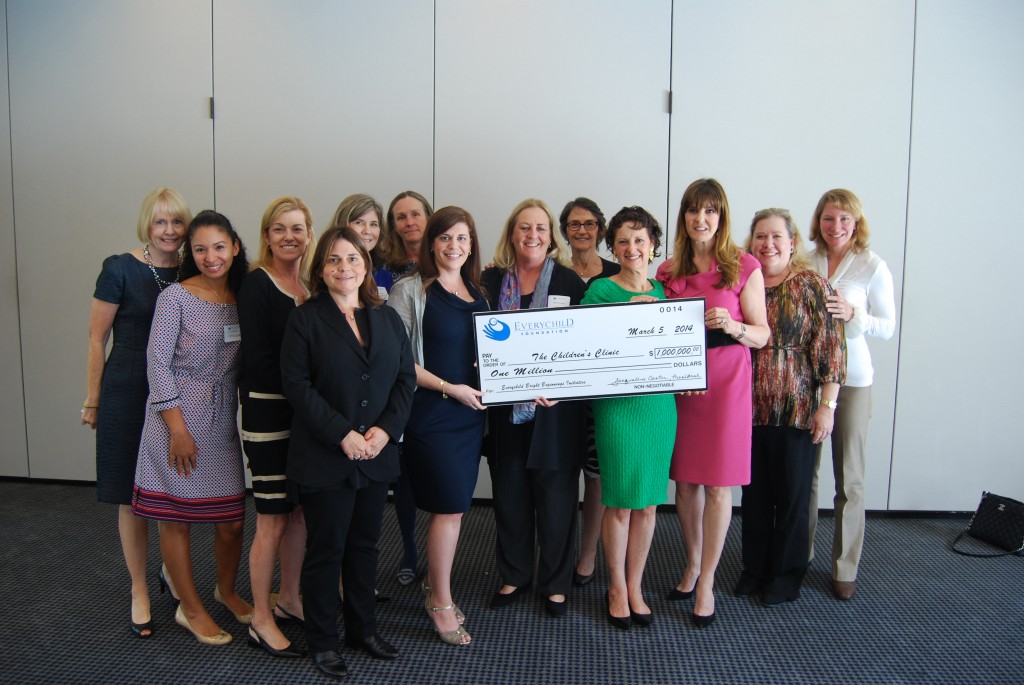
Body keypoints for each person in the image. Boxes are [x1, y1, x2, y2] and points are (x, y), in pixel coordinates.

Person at [280, 226, 415, 678]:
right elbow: (296, 386)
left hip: (376, 453)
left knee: (365, 547)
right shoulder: (306, 319)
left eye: (353, 259)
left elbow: (404, 380)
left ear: (367, 265)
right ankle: (322, 640)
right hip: (326, 455)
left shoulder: (387, 318)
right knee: (326, 550)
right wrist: (342, 433)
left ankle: (363, 628)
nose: (345, 268)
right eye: (335, 260)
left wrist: (384, 431)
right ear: (321, 269)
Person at [131, 210, 251, 645]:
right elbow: (157, 365)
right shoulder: (176, 298)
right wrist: (178, 430)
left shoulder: (242, 296)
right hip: (174, 420)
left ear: (234, 247)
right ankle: (190, 607)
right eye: (199, 249)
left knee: (232, 520)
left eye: (219, 247)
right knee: (175, 519)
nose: (210, 257)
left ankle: (226, 590)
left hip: (220, 422)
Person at [656, 178, 770, 628]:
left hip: (726, 384)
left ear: (722, 217)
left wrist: (734, 325)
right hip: (684, 385)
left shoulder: (744, 266)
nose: (700, 219)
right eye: (692, 210)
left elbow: (762, 334)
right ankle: (692, 562)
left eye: (710, 211)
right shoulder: (667, 270)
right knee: (684, 484)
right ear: (683, 216)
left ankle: (706, 582)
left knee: (720, 486)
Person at [81, 187, 191, 639]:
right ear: (147, 224)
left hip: (178, 391)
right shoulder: (119, 268)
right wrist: (93, 399)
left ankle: (173, 575)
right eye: (160, 222)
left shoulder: (193, 268)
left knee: (171, 493)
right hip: (127, 388)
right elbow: (96, 339)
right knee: (131, 496)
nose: (169, 231)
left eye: (177, 222)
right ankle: (139, 588)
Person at [481, 199, 587, 617]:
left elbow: (583, 347)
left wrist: (563, 386)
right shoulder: (488, 280)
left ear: (551, 235)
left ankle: (556, 582)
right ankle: (514, 574)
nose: (533, 235)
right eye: (524, 228)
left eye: (541, 228)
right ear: (512, 233)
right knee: (509, 494)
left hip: (555, 413)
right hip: (505, 412)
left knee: (558, 499)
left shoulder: (569, 282)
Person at [388, 206, 487, 645]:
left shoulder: (477, 293)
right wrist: (451, 388)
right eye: (445, 238)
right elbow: (397, 360)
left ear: (471, 245)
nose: (454, 246)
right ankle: (440, 601)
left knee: (456, 508)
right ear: (431, 243)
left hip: (470, 416)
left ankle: (435, 583)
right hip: (432, 414)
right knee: (447, 509)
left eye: (462, 238)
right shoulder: (410, 290)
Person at [738, 209, 846, 605]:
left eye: (776, 237)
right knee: (755, 496)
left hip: (797, 410)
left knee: (792, 497)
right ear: (751, 243)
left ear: (793, 243)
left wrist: (827, 406)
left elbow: (832, 351)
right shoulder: (743, 283)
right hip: (746, 410)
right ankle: (755, 568)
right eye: (761, 237)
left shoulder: (813, 286)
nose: (768, 244)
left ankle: (785, 575)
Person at [581, 206, 676, 630]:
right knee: (619, 503)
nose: (632, 248)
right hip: (617, 407)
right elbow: (583, 342)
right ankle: (616, 585)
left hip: (659, 407)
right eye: (623, 241)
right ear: (613, 247)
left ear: (653, 245)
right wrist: (625, 317)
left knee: (650, 504)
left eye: (640, 240)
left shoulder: (667, 291)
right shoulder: (601, 290)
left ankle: (636, 584)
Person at [806, 189, 896, 601]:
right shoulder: (805, 261)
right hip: (807, 379)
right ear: (818, 222)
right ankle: (799, 554)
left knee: (851, 479)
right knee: (806, 474)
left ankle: (845, 566)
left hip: (854, 381)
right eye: (828, 218)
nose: (836, 226)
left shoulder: (872, 266)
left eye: (844, 219)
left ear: (856, 223)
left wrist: (855, 315)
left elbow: (888, 327)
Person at [238, 197, 313, 658]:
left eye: (299, 229)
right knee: (271, 519)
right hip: (269, 414)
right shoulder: (257, 284)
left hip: (302, 419)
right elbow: (261, 361)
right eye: (280, 228)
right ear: (266, 235)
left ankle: (289, 598)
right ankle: (260, 618)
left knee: (298, 513)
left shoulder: (305, 284)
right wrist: (310, 393)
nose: (290, 236)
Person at [558, 197, 619, 587]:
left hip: (602, 395)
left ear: (600, 228)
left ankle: (588, 552)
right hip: (561, 397)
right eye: (574, 224)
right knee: (563, 475)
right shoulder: (552, 272)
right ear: (564, 230)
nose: (582, 230)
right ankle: (559, 548)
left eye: (590, 223)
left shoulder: (616, 274)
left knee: (596, 477)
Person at [329, 193, 393, 294]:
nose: (367, 231)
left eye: (373, 224)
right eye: (359, 222)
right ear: (342, 224)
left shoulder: (384, 274)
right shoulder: (329, 269)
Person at [381, 190, 433, 284]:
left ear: (428, 218)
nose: (409, 223)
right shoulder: (383, 266)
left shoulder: (443, 259)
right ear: (394, 225)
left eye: (415, 214)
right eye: (401, 217)